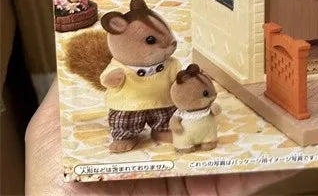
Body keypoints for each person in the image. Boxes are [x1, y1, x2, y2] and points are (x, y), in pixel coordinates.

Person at [26, 84, 294, 196]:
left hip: (180, 119)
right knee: (127, 123)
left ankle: (166, 133)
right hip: (130, 105)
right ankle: (127, 137)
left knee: (169, 122)